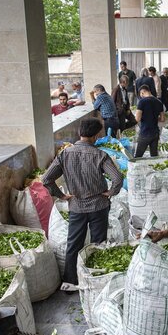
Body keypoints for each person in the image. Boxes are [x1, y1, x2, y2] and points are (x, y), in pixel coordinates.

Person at [41, 117, 124, 290]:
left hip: (76, 206)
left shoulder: (64, 154)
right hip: (99, 206)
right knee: (98, 244)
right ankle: (95, 278)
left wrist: (61, 195)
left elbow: (46, 178)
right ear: (94, 136)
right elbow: (117, 178)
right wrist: (110, 193)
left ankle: (70, 281)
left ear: (80, 133)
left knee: (74, 243)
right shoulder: (100, 155)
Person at [134, 84, 164, 158]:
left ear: (142, 92)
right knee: (154, 156)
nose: (141, 96)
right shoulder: (159, 102)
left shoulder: (142, 102)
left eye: (141, 94)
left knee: (138, 157)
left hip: (145, 133)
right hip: (155, 133)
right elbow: (163, 119)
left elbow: (137, 119)